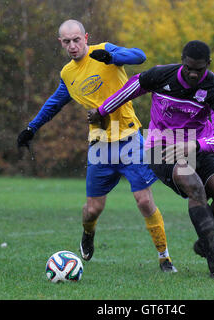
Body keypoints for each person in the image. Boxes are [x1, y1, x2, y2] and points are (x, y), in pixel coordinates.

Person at [17, 20, 177, 272]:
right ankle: (88, 233)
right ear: (61, 43)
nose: (72, 45)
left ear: (85, 37)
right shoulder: (68, 74)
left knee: (144, 201)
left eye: (76, 39)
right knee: (92, 209)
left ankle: (164, 257)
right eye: (67, 41)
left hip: (129, 138)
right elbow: (54, 103)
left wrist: (112, 55)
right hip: (100, 144)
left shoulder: (103, 51)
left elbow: (139, 56)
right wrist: (31, 127)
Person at [88, 40, 214, 280]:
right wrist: (102, 110)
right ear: (182, 61)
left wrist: (195, 145)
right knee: (193, 185)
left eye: (198, 69)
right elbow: (131, 88)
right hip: (160, 145)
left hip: (195, 146)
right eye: (188, 67)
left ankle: (206, 243)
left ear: (208, 65)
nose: (192, 73)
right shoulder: (161, 75)